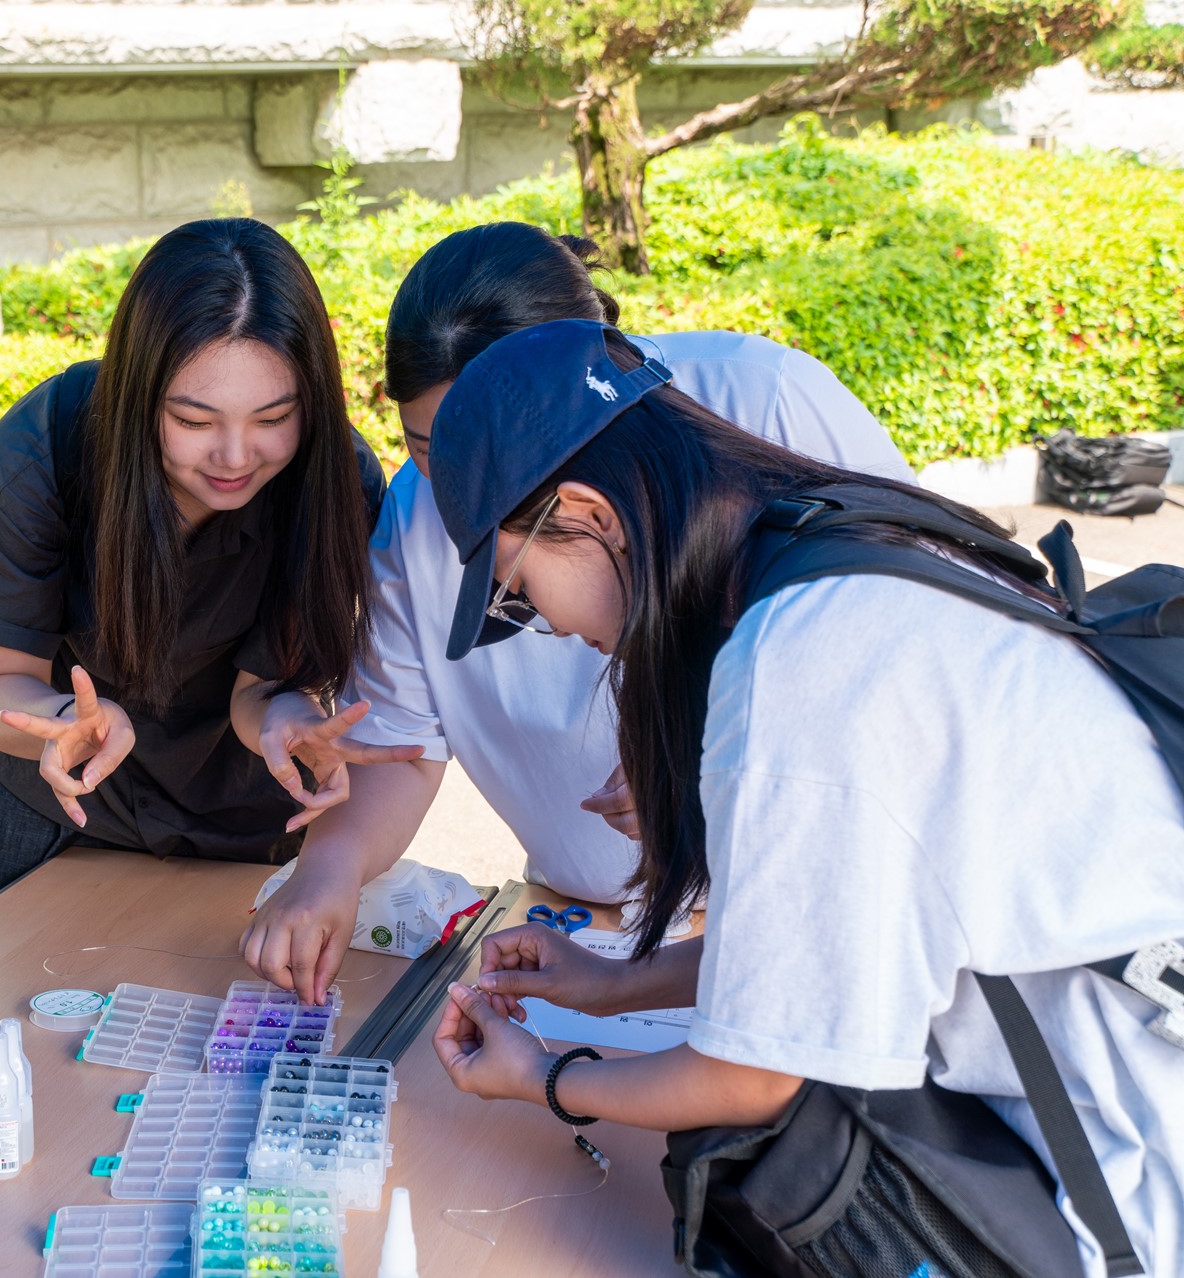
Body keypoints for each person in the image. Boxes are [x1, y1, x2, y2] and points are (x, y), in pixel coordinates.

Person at [425, 320, 1184, 1276]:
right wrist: (618, 986)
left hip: (1121, 1195)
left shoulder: (804, 655)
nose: (552, 629)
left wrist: (549, 1078)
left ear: (590, 514)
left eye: (519, 593)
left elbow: (754, 1071)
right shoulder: (847, 539)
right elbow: (832, 939)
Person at [242, 222, 916, 1002]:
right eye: (433, 447)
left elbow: (906, 644)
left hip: (802, 926)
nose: (470, 482)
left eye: (506, 439)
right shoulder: (417, 517)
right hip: (583, 925)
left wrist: (713, 740)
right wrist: (328, 871)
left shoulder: (763, 402)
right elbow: (398, 743)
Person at [0, 217, 413, 923]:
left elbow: (263, 690)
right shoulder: (40, 453)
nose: (234, 455)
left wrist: (290, 721)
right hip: (55, 794)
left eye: (273, 417)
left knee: (227, 1028)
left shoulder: (335, 476)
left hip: (244, 805)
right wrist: (68, 719)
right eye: (193, 421)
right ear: (138, 394)